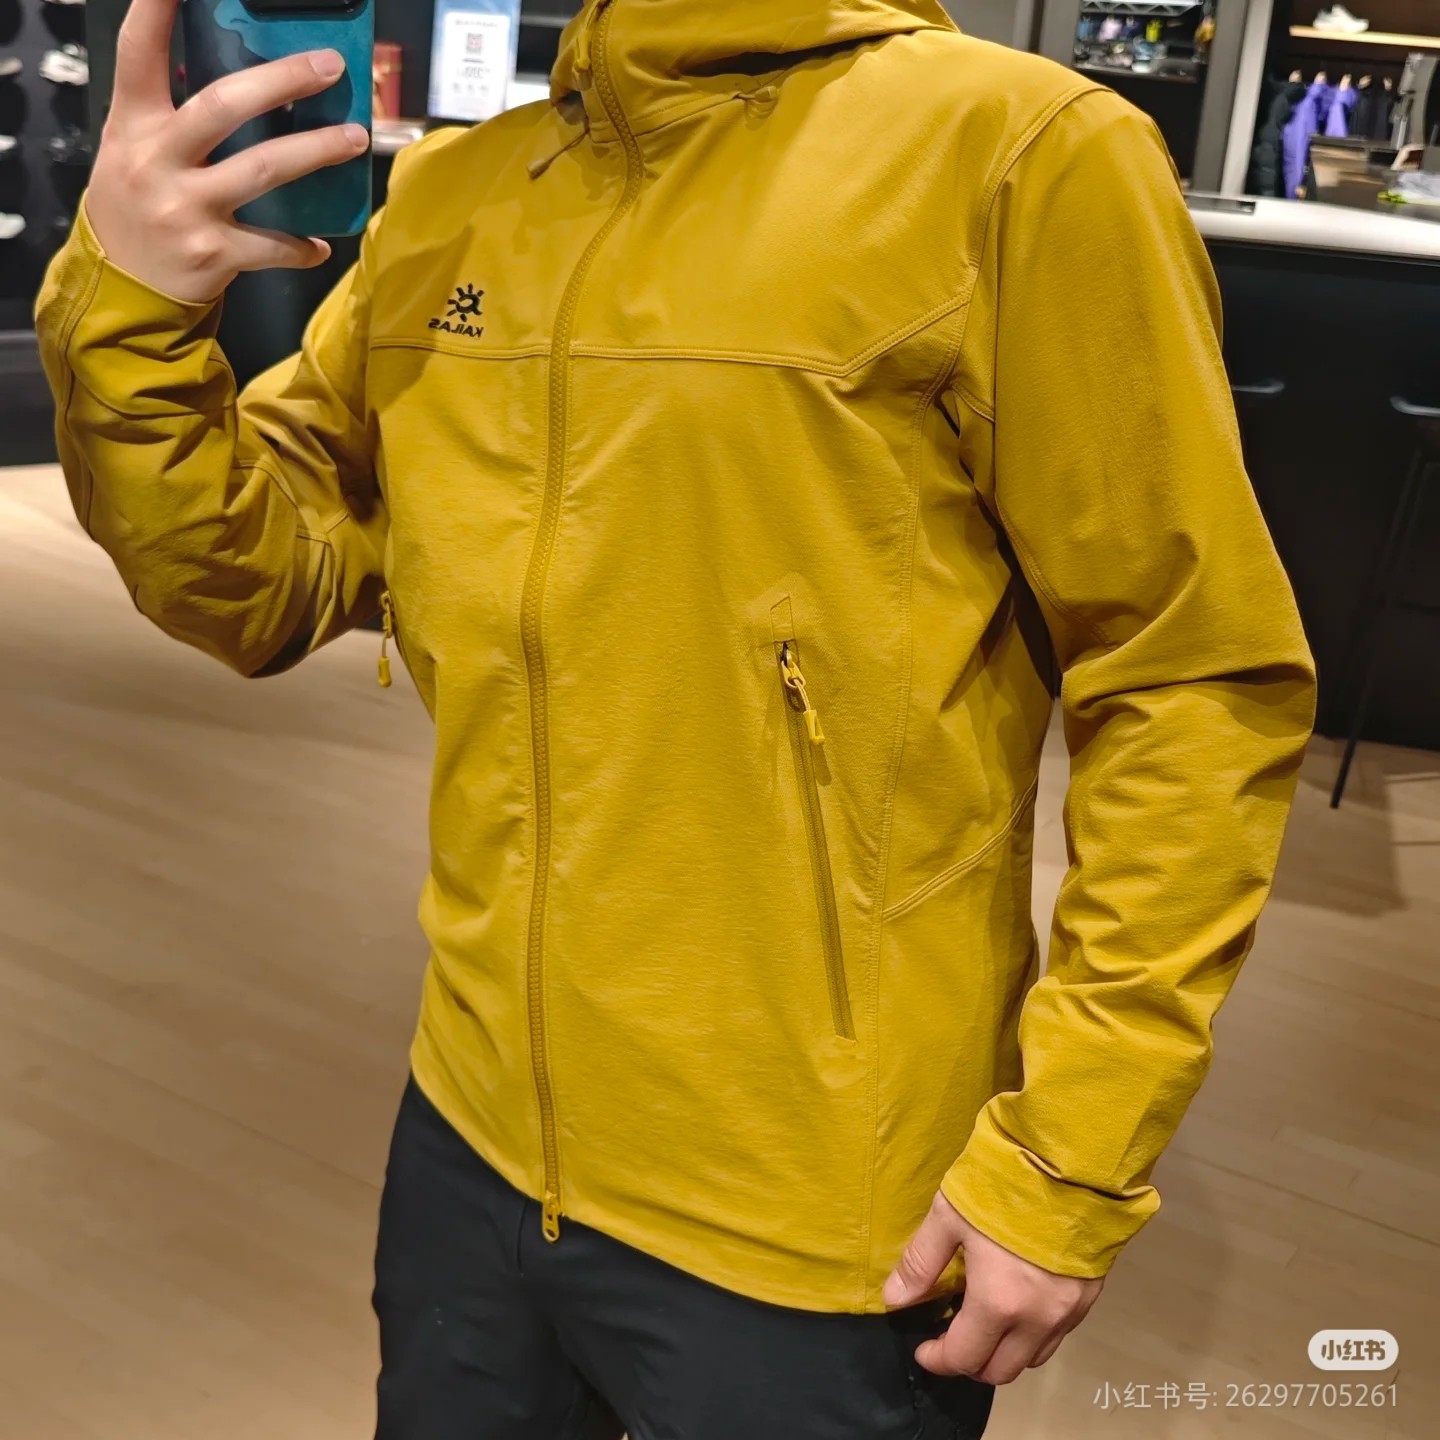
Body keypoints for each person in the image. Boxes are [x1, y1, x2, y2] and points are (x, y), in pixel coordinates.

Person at [36, 1, 1318, 1436]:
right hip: (473, 1134)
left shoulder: (1017, 153)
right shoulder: (457, 196)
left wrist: (1070, 1152)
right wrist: (130, 312)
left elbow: (1191, 677)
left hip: (819, 1215)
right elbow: (256, 584)